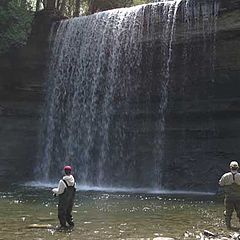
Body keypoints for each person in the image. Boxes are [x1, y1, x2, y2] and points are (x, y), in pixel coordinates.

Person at [52, 165, 76, 230]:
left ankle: (63, 226)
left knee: (61, 213)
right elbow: (74, 190)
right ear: (70, 172)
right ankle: (71, 224)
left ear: (64, 171)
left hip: (63, 201)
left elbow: (59, 191)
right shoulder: (73, 181)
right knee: (68, 213)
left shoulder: (62, 181)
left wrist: (53, 190)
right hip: (71, 201)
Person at [219, 161, 240, 229]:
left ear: (230, 168)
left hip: (229, 197)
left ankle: (228, 227)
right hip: (238, 198)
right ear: (237, 168)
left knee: (228, 212)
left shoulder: (225, 176)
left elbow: (220, 183)